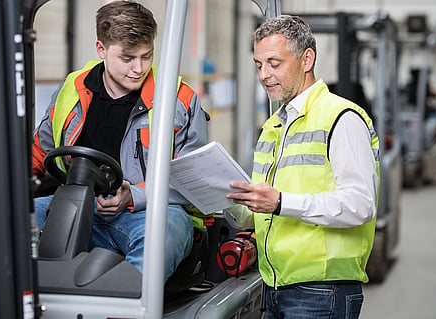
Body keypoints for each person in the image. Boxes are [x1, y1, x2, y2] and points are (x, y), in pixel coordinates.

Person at [32, 0, 209, 281]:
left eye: (146, 56)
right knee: (10, 221)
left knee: (165, 231)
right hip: (77, 204)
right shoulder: (71, 90)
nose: (138, 68)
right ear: (101, 49)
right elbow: (40, 151)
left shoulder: (180, 100)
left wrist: (133, 195)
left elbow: (196, 180)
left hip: (149, 213)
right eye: (127, 58)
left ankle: (126, 305)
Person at [224, 15, 380, 318]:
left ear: (307, 59)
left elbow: (362, 204)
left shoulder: (341, 118)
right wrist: (224, 199)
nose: (264, 75)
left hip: (323, 291)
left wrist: (281, 202)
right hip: (274, 286)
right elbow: (262, 209)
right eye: (259, 65)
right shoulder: (274, 126)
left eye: (274, 62)